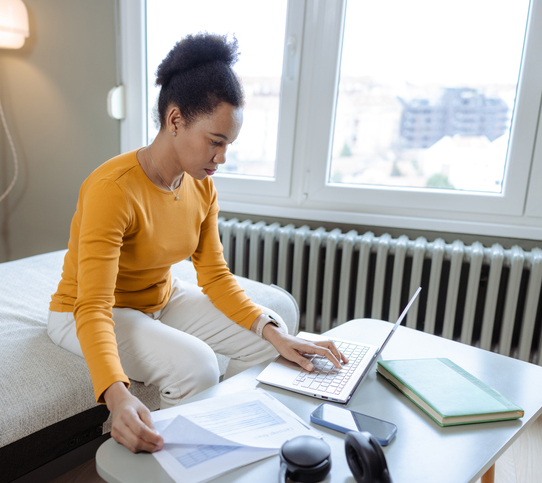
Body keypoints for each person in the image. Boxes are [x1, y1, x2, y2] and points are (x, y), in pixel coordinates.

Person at [48, 33, 347, 454]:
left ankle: (233, 437)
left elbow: (215, 275)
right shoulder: (111, 189)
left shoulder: (201, 188)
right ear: (175, 121)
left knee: (270, 342)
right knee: (199, 366)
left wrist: (273, 331)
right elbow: (93, 305)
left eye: (228, 145)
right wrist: (116, 396)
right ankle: (165, 464)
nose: (221, 158)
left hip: (158, 299)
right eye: (216, 141)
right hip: (83, 309)